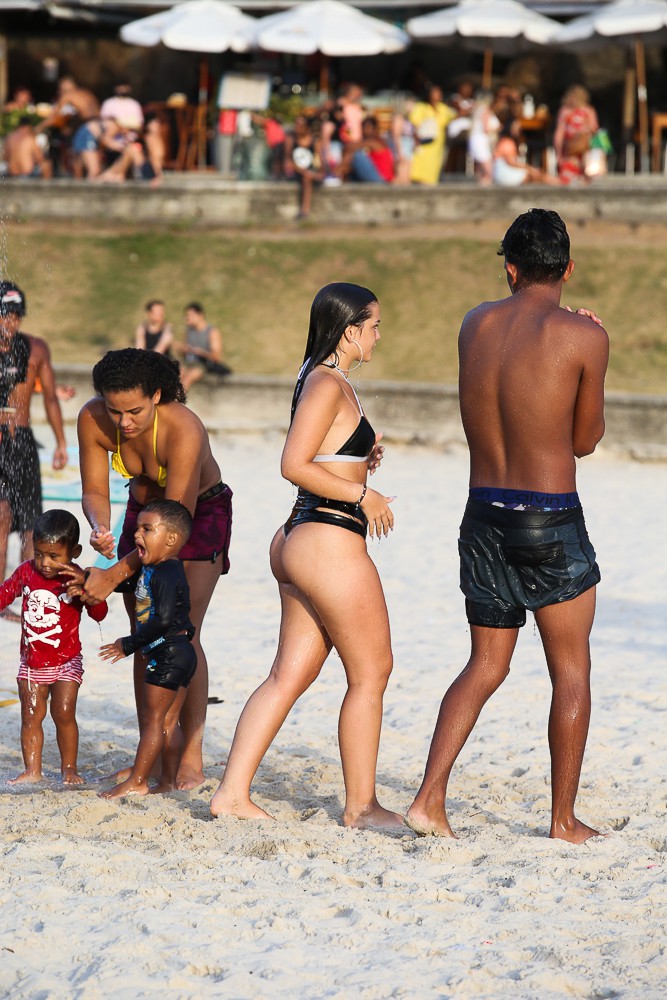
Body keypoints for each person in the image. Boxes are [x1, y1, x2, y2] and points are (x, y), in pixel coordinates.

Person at [406, 209, 609, 844]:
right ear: (568, 268)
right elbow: (585, 442)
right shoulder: (583, 336)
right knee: (570, 671)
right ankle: (562, 820)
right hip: (549, 514)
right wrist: (590, 343)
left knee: (486, 664)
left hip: (482, 512)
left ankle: (429, 799)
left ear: (511, 268)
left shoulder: (475, 323)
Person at [210, 282, 403, 830]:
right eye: (374, 326)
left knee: (288, 675)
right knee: (372, 672)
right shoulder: (325, 383)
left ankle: (232, 794)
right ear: (350, 330)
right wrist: (363, 494)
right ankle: (361, 807)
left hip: (303, 538)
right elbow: (293, 463)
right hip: (327, 541)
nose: (379, 335)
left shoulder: (319, 377)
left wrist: (361, 457)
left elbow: (321, 455)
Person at [76, 348, 233, 790]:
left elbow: (175, 526)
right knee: (144, 633)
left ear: (157, 396)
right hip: (144, 513)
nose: (124, 422)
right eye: (115, 411)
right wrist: (100, 526)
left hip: (195, 515)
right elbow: (94, 490)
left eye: (135, 411)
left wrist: (113, 574)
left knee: (181, 631)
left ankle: (190, 757)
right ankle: (152, 753)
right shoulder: (92, 419)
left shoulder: (183, 427)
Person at [96, 500, 196, 799]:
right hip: (180, 653)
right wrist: (91, 578)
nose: (137, 534)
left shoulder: (167, 573)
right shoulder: (153, 569)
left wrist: (127, 645)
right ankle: (167, 782)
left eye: (147, 529)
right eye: (138, 527)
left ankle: (138, 781)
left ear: (171, 539)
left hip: (167, 654)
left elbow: (163, 620)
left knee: (154, 721)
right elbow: (126, 586)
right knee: (168, 722)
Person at [0, 509, 108, 785]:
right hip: (31, 664)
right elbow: (4, 595)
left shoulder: (77, 577)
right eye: (39, 554)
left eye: (53, 556)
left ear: (74, 552)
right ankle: (32, 770)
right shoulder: (26, 572)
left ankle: (69, 768)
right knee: (30, 716)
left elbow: (100, 614)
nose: (45, 563)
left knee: (63, 714)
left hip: (66, 662)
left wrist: (86, 592)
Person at [0, 282, 68, 591]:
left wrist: (61, 442)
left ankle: (27, 596)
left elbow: (51, 398)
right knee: (2, 519)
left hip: (23, 441)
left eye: (15, 315)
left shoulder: (36, 348)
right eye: (4, 315)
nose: (10, 322)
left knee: (30, 524)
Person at [174, 302, 231, 391]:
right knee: (178, 372)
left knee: (189, 377)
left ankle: (177, 397)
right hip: (188, 361)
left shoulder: (211, 332)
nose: (187, 318)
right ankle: (172, 396)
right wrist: (182, 349)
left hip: (202, 364)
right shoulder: (189, 330)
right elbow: (183, 352)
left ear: (200, 315)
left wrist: (200, 352)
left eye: (190, 315)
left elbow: (216, 357)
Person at [492, 115, 562, 188]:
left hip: (503, 173)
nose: (518, 129)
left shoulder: (505, 141)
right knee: (535, 175)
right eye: (516, 127)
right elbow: (511, 163)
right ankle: (559, 183)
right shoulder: (507, 143)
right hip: (505, 174)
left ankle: (558, 182)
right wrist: (530, 169)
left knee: (537, 176)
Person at [409, 84, 456, 185]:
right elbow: (414, 124)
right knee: (420, 170)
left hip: (437, 145)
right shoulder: (421, 107)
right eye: (435, 92)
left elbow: (453, 116)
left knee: (433, 170)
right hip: (424, 144)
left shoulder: (443, 108)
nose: (438, 95)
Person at [553, 85, 600, 185]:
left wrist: (583, 131)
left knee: (585, 173)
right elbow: (560, 133)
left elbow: (594, 128)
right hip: (570, 149)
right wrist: (559, 152)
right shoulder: (566, 111)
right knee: (569, 176)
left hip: (584, 148)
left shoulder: (587, 111)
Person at [283, 114, 325, 220]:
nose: (297, 128)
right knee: (306, 178)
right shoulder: (290, 139)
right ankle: (304, 211)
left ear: (307, 127)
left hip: (311, 172)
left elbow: (320, 161)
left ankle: (305, 211)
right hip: (296, 172)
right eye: (296, 125)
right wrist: (304, 172)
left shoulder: (315, 141)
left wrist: (319, 173)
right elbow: (288, 162)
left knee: (307, 178)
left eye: (300, 125)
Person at [468, 91, 500, 186]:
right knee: (487, 167)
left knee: (479, 167)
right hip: (481, 140)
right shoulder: (485, 110)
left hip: (475, 139)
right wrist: (496, 129)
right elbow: (486, 128)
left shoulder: (476, 110)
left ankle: (481, 183)